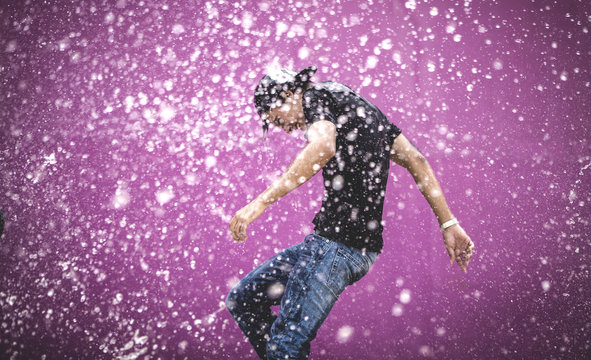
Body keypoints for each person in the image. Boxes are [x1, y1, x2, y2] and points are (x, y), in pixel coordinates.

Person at [226, 65, 474, 359]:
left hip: (334, 247)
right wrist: (449, 222)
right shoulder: (359, 106)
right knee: (243, 299)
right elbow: (417, 160)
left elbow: (322, 146)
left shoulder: (315, 95)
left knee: (286, 344)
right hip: (353, 250)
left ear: (289, 93)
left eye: (278, 119)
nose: (285, 128)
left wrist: (261, 202)